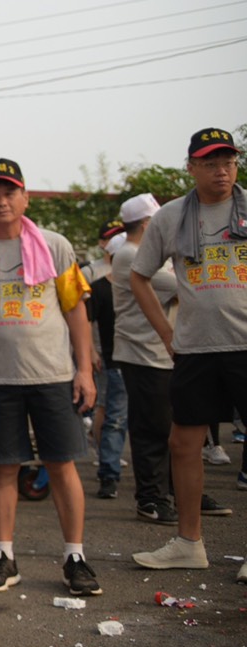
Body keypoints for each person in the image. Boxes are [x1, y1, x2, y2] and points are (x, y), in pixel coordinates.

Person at [0, 159, 101, 597]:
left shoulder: (55, 245)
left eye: (9, 192)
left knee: (61, 465)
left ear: (25, 197)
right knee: (3, 467)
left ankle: (74, 556)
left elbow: (76, 309)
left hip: (54, 374)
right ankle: (4, 556)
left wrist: (83, 370)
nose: (1, 202)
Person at [130, 128, 247, 582]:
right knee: (183, 443)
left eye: (228, 162)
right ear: (191, 167)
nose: (221, 171)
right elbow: (140, 276)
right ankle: (189, 543)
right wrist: (166, 332)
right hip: (196, 346)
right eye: (211, 163)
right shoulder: (172, 217)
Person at [109, 197, 181, 524]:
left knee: (173, 425)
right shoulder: (129, 255)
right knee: (152, 428)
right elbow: (186, 285)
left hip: (160, 353)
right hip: (142, 353)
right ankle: (151, 498)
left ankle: (178, 491)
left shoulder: (146, 256)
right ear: (148, 224)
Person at [87, 218, 126, 500]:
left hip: (148, 360)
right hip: (110, 359)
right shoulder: (97, 282)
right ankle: (108, 471)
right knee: (112, 416)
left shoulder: (149, 280)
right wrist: (90, 352)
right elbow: (85, 320)